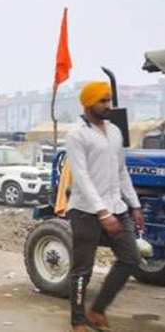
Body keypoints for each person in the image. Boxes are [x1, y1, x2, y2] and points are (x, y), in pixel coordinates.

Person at [66, 81, 143, 332]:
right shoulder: (77, 133)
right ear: (88, 103)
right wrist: (102, 211)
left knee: (131, 259)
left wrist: (135, 204)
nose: (108, 105)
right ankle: (78, 321)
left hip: (117, 207)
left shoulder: (114, 131)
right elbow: (82, 176)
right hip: (86, 211)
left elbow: (122, 172)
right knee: (83, 270)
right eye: (102, 101)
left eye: (109, 100)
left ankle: (97, 311)